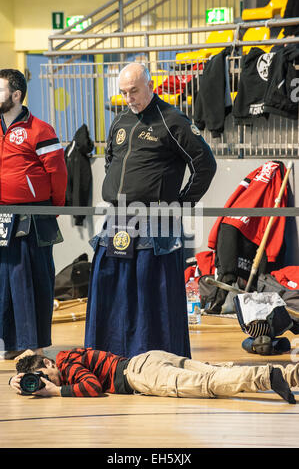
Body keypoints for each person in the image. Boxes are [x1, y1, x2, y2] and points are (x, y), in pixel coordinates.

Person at [84, 62, 216, 359]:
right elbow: (111, 163)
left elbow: (205, 165)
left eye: (134, 91)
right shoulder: (119, 122)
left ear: (150, 85)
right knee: (112, 291)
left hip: (156, 223)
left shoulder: (173, 120)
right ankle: (110, 358)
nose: (129, 98)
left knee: (150, 294)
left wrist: (182, 203)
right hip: (117, 220)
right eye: (123, 93)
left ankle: (157, 359)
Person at [0, 69, 68, 360]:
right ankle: (10, 342)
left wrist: (53, 209)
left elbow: (59, 173)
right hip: (3, 218)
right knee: (5, 282)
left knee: (33, 281)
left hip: (34, 216)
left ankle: (35, 344)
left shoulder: (40, 129)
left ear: (16, 95)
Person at [9, 347, 299, 404]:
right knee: (216, 371)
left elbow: (93, 387)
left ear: (47, 364)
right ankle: (292, 375)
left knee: (206, 385)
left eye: (43, 375)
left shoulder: (65, 360)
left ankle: (269, 377)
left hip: (139, 374)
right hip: (149, 358)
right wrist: (19, 382)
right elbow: (25, 362)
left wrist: (54, 392)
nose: (47, 380)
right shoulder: (61, 360)